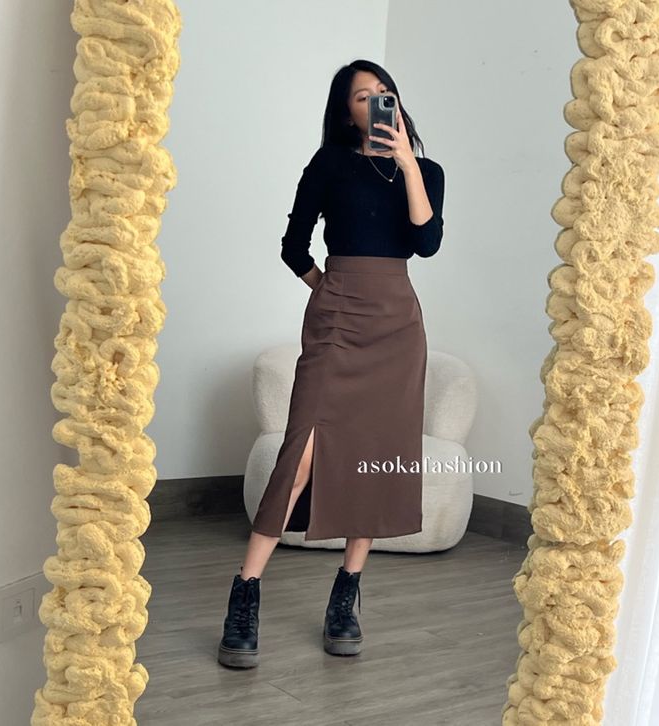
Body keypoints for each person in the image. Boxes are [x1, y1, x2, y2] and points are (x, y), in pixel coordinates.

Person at [217, 59, 445, 668]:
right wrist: (327, 288)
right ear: (345, 112)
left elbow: (426, 243)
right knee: (301, 453)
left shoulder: (427, 172)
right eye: (362, 96)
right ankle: (245, 593)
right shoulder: (328, 164)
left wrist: (406, 164)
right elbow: (293, 245)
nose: (375, 102)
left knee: (374, 453)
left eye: (384, 93)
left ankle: (346, 595)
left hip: (397, 325)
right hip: (338, 317)